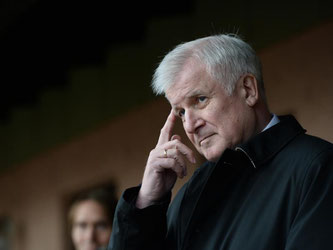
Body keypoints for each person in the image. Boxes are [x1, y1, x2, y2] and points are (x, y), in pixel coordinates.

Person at [108, 34, 333, 249]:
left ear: (248, 90)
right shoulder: (192, 192)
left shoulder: (318, 168)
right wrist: (145, 203)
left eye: (200, 100)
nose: (189, 125)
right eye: (181, 112)